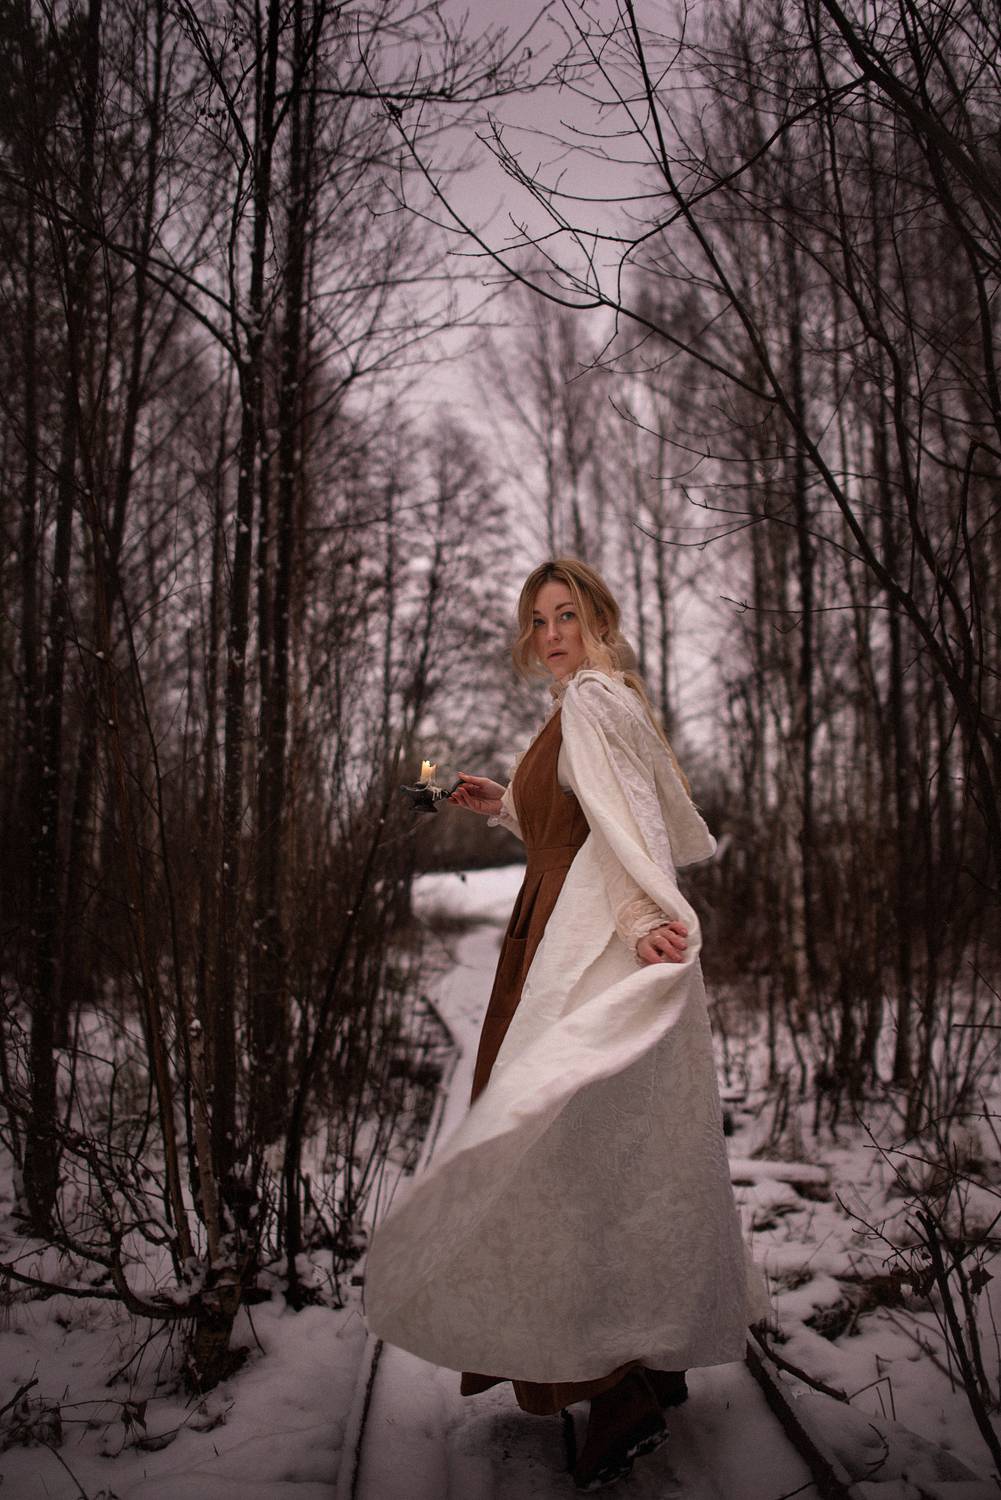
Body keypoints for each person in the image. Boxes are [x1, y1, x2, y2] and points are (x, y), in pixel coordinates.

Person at [365, 559, 762, 1491]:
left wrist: (639, 918)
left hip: (573, 939)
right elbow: (575, 824)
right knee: (599, 1146)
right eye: (538, 619)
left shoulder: (590, 699)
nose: (550, 634)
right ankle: (645, 1354)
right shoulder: (587, 705)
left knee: (548, 1158)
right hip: (550, 926)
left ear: (598, 620)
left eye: (566, 615)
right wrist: (504, 805)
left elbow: (628, 833)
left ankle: (606, 1384)